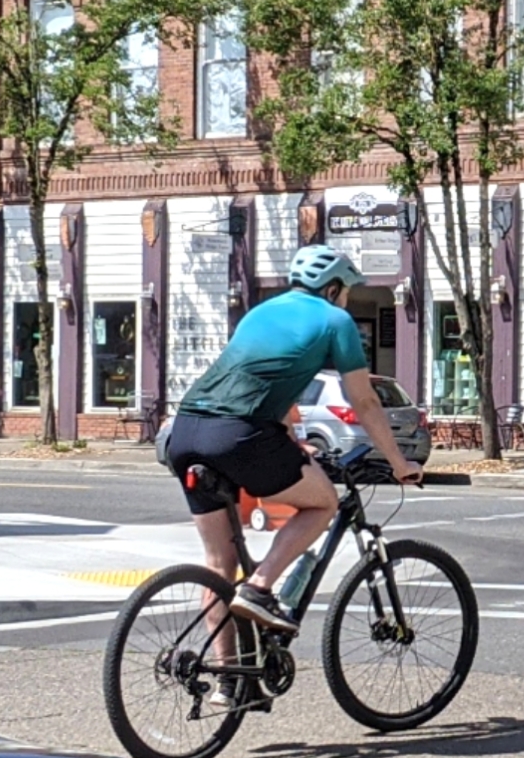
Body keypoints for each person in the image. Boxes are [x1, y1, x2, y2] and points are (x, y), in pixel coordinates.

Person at [163, 244, 421, 639]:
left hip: (186, 429)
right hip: (239, 433)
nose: (347, 300)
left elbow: (261, 378)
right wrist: (399, 463)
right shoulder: (335, 320)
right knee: (324, 503)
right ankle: (261, 586)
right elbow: (365, 401)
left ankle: (227, 684)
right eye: (347, 291)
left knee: (219, 565)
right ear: (333, 288)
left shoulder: (260, 313)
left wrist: (292, 440)